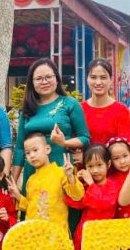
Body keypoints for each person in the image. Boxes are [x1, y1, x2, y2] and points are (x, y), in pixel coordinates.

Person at [12, 58, 90, 186]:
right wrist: (13, 182)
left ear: (57, 79)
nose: (44, 82)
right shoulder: (28, 108)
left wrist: (64, 142)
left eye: (48, 77)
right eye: (38, 79)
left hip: (62, 168)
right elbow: (20, 148)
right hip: (33, 171)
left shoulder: (70, 103)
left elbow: (85, 138)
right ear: (32, 83)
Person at [7, 132, 85, 234]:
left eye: (35, 150)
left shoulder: (60, 173)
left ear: (47, 149)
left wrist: (70, 176)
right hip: (35, 233)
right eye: (28, 153)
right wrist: (17, 195)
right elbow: (31, 207)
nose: (32, 155)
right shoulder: (31, 180)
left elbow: (78, 196)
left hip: (56, 234)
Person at [80, 58, 130, 145]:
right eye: (93, 77)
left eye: (103, 77)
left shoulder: (121, 110)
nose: (98, 82)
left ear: (111, 80)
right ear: (87, 79)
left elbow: (125, 145)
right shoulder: (79, 109)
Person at [106, 137, 130, 220]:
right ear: (110, 161)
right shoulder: (109, 180)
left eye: (125, 156)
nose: (122, 161)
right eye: (116, 158)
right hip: (119, 224)